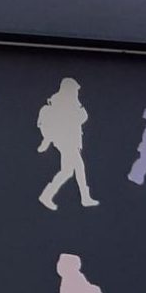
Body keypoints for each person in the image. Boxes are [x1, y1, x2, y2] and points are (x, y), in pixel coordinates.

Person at [36, 78, 97, 210]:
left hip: (70, 142)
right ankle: (85, 198)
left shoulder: (68, 102)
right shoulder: (63, 103)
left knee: (67, 171)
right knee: (79, 168)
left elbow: (83, 117)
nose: (76, 92)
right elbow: (81, 117)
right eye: (75, 90)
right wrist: (78, 106)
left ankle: (47, 195)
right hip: (67, 142)